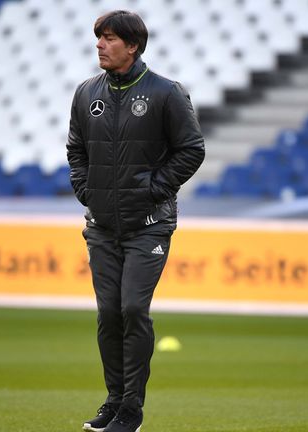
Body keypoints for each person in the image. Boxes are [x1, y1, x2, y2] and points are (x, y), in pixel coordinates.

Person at [66, 9, 205, 432]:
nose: (100, 45)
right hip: (102, 226)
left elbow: (192, 149)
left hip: (149, 224)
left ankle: (132, 410)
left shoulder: (166, 92)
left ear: (133, 46)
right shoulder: (86, 92)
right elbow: (76, 149)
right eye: (99, 37)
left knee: (132, 308)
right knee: (109, 314)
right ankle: (113, 402)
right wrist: (87, 191)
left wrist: (152, 190)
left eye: (109, 38)